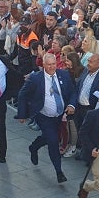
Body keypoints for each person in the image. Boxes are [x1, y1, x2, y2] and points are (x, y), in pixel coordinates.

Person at [17, 52, 75, 184]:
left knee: (49, 137)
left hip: (60, 115)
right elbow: (22, 95)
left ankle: (34, 147)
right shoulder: (35, 78)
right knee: (53, 141)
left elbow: (72, 92)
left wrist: (71, 105)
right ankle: (59, 172)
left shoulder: (64, 75)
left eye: (54, 64)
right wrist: (22, 114)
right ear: (43, 65)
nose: (52, 67)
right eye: (48, 65)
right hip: (44, 116)